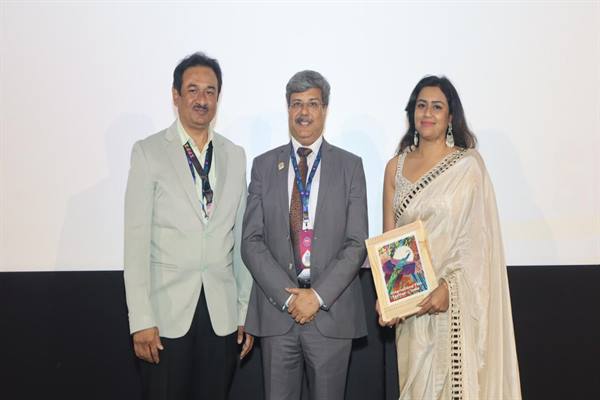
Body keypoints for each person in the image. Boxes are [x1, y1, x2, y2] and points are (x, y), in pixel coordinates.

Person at [378, 76, 522, 399]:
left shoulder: (468, 166)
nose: (427, 113)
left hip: (455, 303)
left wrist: (449, 288)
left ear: (450, 116)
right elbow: (390, 240)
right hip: (412, 308)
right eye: (421, 105)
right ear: (412, 113)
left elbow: (478, 242)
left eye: (437, 107)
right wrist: (388, 298)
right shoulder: (394, 168)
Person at [123, 52, 253, 400]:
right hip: (165, 317)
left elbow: (242, 239)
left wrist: (245, 311)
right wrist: (141, 319)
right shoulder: (149, 152)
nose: (202, 99)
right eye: (193, 90)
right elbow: (135, 243)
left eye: (210, 91)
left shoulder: (234, 155)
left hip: (221, 316)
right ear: (176, 95)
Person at [242, 70, 368, 400]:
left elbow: (357, 243)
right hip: (278, 313)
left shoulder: (350, 166)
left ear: (325, 110)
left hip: (330, 313)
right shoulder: (263, 166)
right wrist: (289, 299)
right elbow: (251, 241)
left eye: (312, 103)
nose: (304, 112)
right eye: (296, 103)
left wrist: (317, 297)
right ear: (287, 109)